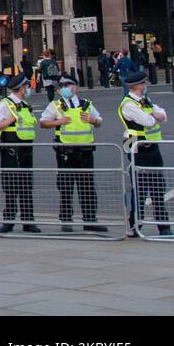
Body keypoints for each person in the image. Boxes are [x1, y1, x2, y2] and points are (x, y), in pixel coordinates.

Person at [39, 75, 105, 233]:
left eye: (68, 85)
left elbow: (99, 121)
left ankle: (90, 220)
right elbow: (43, 122)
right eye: (62, 86)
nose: (64, 88)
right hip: (65, 151)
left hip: (85, 150)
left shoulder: (87, 104)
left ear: (76, 87)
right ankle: (66, 220)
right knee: (65, 186)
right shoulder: (56, 105)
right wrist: (58, 122)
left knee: (87, 187)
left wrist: (93, 120)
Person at [119, 70, 172, 237]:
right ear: (137, 86)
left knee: (158, 187)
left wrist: (155, 115)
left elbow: (163, 114)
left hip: (152, 147)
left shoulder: (145, 101)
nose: (145, 86)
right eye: (143, 84)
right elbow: (148, 122)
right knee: (140, 188)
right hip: (138, 148)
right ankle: (135, 225)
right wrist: (155, 116)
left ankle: (163, 226)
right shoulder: (129, 104)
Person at [0, 75, 40, 234]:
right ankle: (8, 221)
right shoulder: (5, 105)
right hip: (11, 151)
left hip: (26, 150)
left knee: (26, 186)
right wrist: (10, 120)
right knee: (11, 187)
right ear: (21, 88)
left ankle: (28, 221)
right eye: (27, 86)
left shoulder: (25, 105)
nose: (28, 89)